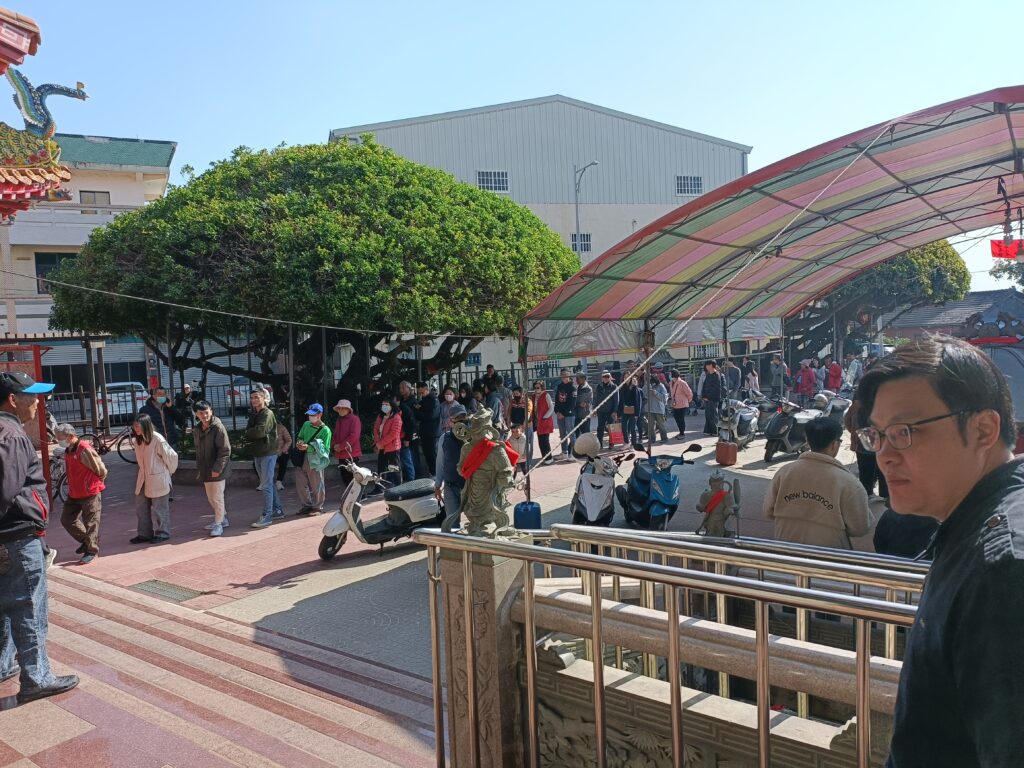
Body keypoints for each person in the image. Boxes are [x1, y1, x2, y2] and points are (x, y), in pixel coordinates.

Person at [854, 336, 1024, 767]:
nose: (884, 456)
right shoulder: (972, 529)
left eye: (905, 433)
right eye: (878, 435)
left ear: (983, 430)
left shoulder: (1003, 569)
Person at [0, 371, 80, 703]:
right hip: (17, 537)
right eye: (31, 395)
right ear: (12, 400)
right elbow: (5, 492)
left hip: (8, 539)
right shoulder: (12, 435)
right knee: (29, 607)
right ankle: (37, 677)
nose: (37, 402)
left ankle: (3, 665)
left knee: (6, 606)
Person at [763, 416, 870, 548]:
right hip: (828, 556)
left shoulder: (784, 473)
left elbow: (768, 511)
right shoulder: (849, 483)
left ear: (807, 441)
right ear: (834, 444)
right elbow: (860, 528)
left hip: (786, 551)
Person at [56, 423, 108, 563]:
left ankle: (91, 549)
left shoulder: (84, 449)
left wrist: (94, 483)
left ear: (70, 436)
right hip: (74, 492)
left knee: (91, 522)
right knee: (67, 519)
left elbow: (101, 469)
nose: (58, 440)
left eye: (60, 438)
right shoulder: (68, 450)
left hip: (89, 491)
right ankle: (87, 541)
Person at [130, 414, 179, 544]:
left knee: (159, 508)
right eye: (134, 426)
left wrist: (168, 473)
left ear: (145, 425)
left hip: (158, 478)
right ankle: (144, 534)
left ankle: (163, 533)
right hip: (143, 478)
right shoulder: (138, 441)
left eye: (137, 425)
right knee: (141, 507)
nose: (135, 428)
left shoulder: (157, 439)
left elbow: (172, 457)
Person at [245, 387, 283, 528]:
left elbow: (259, 432)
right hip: (259, 452)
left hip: (267, 453)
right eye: (252, 398)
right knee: (268, 483)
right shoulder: (255, 413)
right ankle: (277, 510)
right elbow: (250, 430)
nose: (254, 400)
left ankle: (267, 515)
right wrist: (250, 432)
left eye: (257, 397)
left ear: (264, 398)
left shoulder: (267, 413)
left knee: (266, 485)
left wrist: (249, 432)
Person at [193, 401, 231, 537]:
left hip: (217, 469)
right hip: (205, 469)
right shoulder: (197, 429)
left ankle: (218, 524)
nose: (204, 415)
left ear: (211, 411)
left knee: (217, 497)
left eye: (206, 412)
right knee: (211, 498)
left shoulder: (218, 427)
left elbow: (225, 450)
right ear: (196, 414)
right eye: (201, 413)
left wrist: (217, 469)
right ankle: (222, 519)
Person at [845, 395, 888, 498]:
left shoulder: (856, 405)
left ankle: (866, 500)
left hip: (863, 447)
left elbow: (848, 421)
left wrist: (858, 436)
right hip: (881, 448)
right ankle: (883, 502)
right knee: (883, 479)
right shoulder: (886, 404)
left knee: (865, 478)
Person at [294, 403, 332, 516]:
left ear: (320, 415)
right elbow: (300, 436)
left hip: (316, 459)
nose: (311, 417)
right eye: (309, 414)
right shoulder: (306, 424)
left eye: (313, 415)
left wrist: (309, 447)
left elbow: (325, 449)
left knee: (317, 484)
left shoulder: (326, 430)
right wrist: (299, 443)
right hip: (302, 457)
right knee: (300, 483)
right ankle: (306, 505)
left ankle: (318, 507)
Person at [435, 403, 468, 530]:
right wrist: (438, 485)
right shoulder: (445, 438)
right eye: (457, 419)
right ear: (450, 421)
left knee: (476, 522)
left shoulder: (475, 437)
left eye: (463, 418)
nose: (461, 422)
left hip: (471, 486)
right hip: (451, 486)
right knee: (452, 523)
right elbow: (440, 462)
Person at [373, 396, 403, 491]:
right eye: (383, 404)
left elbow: (393, 434)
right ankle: (379, 489)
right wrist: (377, 442)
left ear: (392, 406)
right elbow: (376, 430)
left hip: (392, 447)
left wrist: (381, 444)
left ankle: (399, 488)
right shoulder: (380, 416)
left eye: (386, 404)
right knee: (381, 469)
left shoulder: (396, 417)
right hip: (381, 447)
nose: (384, 406)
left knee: (394, 468)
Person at [331, 399, 362, 488]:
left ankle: (358, 494)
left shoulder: (354, 419)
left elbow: (354, 436)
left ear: (348, 409)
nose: (340, 410)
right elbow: (335, 434)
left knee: (353, 478)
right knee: (345, 477)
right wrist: (334, 445)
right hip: (341, 454)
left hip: (351, 454)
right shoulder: (339, 420)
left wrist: (340, 446)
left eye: (343, 408)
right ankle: (350, 494)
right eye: (339, 408)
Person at [415, 382, 439, 479]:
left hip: (432, 431)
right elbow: (417, 410)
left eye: (422, 392)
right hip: (424, 431)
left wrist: (419, 414)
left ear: (426, 389)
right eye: (419, 393)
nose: (421, 395)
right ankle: (432, 472)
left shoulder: (433, 399)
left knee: (432, 454)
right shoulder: (423, 400)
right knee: (426, 454)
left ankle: (436, 473)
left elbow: (431, 415)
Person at [397, 381, 419, 482]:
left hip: (411, 433)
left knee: (412, 456)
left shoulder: (413, 401)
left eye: (403, 388)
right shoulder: (401, 401)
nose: (401, 390)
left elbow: (413, 420)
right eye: (400, 388)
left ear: (409, 388)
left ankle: (415, 477)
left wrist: (409, 437)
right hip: (403, 432)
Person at [531, 380, 555, 465]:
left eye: (538, 388)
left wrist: (545, 417)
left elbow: (551, 407)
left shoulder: (546, 395)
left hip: (545, 421)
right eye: (535, 388)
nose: (536, 389)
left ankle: (549, 458)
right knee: (540, 441)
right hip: (538, 422)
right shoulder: (533, 396)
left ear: (542, 388)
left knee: (545, 440)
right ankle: (544, 457)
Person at [554, 368, 577, 459]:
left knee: (571, 434)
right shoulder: (559, 386)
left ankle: (574, 453)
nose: (564, 376)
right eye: (562, 374)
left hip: (569, 415)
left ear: (569, 375)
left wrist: (564, 413)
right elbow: (557, 399)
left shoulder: (573, 387)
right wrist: (557, 411)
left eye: (565, 374)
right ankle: (564, 452)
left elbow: (572, 403)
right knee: (562, 434)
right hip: (560, 414)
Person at [507, 386, 533, 464]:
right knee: (516, 444)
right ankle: (518, 461)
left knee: (527, 444)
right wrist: (508, 423)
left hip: (526, 426)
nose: (515, 395)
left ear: (522, 393)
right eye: (514, 394)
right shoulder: (512, 401)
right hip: (516, 426)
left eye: (517, 393)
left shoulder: (528, 401)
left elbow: (528, 413)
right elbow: (509, 412)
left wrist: (523, 426)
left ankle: (528, 462)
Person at [700, 360, 726, 436]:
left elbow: (716, 388)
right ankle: (708, 430)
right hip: (707, 398)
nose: (706, 367)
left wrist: (709, 397)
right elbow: (704, 386)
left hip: (713, 398)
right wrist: (704, 396)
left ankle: (715, 431)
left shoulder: (717, 375)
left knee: (713, 415)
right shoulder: (708, 375)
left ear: (711, 365)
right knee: (708, 414)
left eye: (707, 365)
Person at [594, 370, 619, 447]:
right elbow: (596, 398)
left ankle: (611, 443)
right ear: (602, 378)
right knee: (600, 428)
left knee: (611, 428)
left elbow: (616, 400)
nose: (605, 378)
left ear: (610, 377)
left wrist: (614, 411)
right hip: (601, 411)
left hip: (610, 411)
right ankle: (599, 444)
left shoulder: (614, 387)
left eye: (607, 376)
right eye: (604, 376)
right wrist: (595, 409)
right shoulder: (598, 387)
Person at [669, 369, 693, 438]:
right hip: (675, 404)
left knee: (681, 419)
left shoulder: (682, 383)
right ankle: (680, 431)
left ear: (673, 375)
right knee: (676, 417)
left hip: (682, 404)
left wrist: (688, 401)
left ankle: (682, 433)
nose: (669, 375)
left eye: (670, 374)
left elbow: (689, 393)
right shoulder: (671, 383)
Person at [619, 376, 643, 445]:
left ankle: (634, 443)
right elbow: (620, 401)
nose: (626, 378)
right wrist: (619, 412)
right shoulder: (622, 388)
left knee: (632, 428)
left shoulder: (635, 388)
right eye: (625, 377)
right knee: (624, 427)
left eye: (628, 377)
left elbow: (638, 401)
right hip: (624, 410)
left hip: (633, 411)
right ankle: (627, 442)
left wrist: (637, 414)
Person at [647, 375, 669, 442]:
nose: (651, 383)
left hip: (659, 409)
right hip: (651, 409)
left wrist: (656, 393)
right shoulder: (649, 386)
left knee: (661, 425)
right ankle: (652, 438)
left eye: (652, 382)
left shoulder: (661, 386)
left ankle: (664, 438)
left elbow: (664, 398)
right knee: (650, 425)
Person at [273, 415, 292, 491]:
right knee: (257, 462)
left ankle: (279, 481)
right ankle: (263, 482)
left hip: (281, 452)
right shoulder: (265, 428)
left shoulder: (281, 428)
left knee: (284, 460)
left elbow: (289, 440)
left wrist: (282, 450)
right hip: (269, 453)